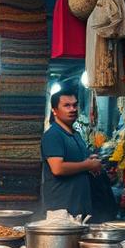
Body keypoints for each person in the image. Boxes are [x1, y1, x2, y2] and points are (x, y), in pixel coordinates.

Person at [41, 88, 103, 218]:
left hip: (80, 207)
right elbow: (57, 168)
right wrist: (88, 165)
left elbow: (77, 161)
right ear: (54, 110)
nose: (73, 109)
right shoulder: (53, 135)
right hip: (62, 209)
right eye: (67, 105)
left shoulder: (76, 135)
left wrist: (89, 160)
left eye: (75, 105)